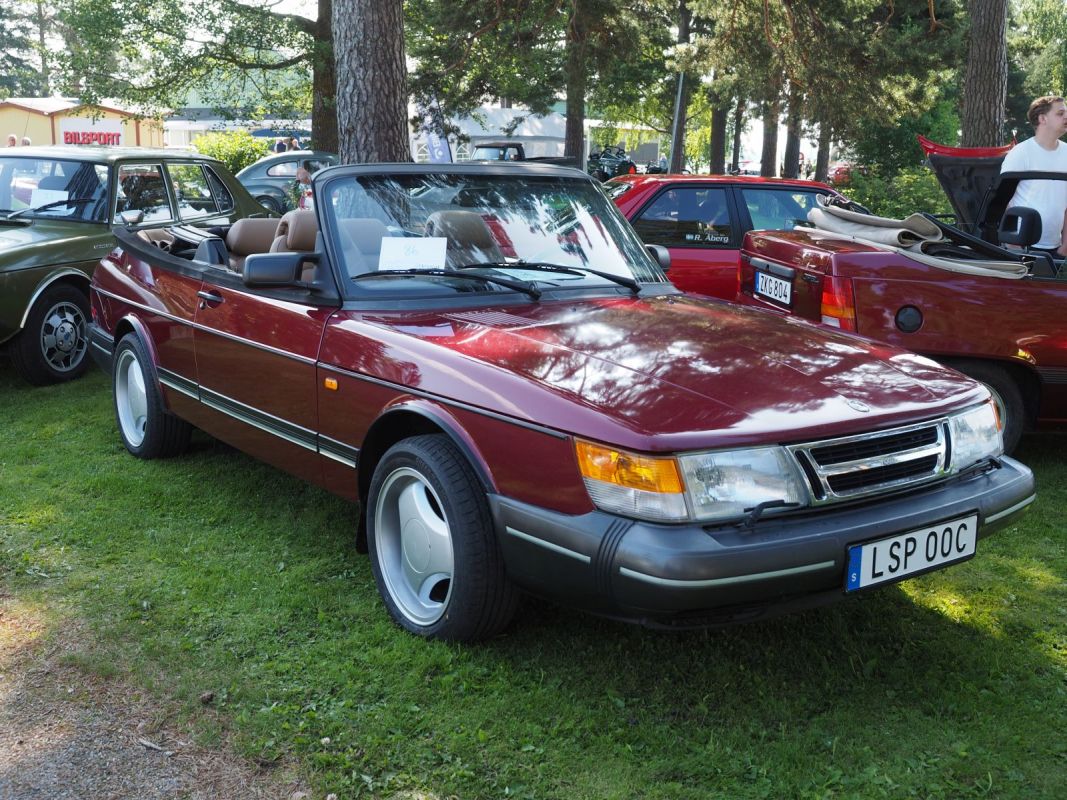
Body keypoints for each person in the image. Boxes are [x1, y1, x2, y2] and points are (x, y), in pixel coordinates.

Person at [1000, 94, 1067, 256]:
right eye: (1060, 113)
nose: (1066, 117)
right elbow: (1002, 200)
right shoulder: (1020, 153)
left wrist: (1065, 245)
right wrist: (1013, 243)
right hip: (1020, 245)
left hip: (1057, 248)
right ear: (1042, 118)